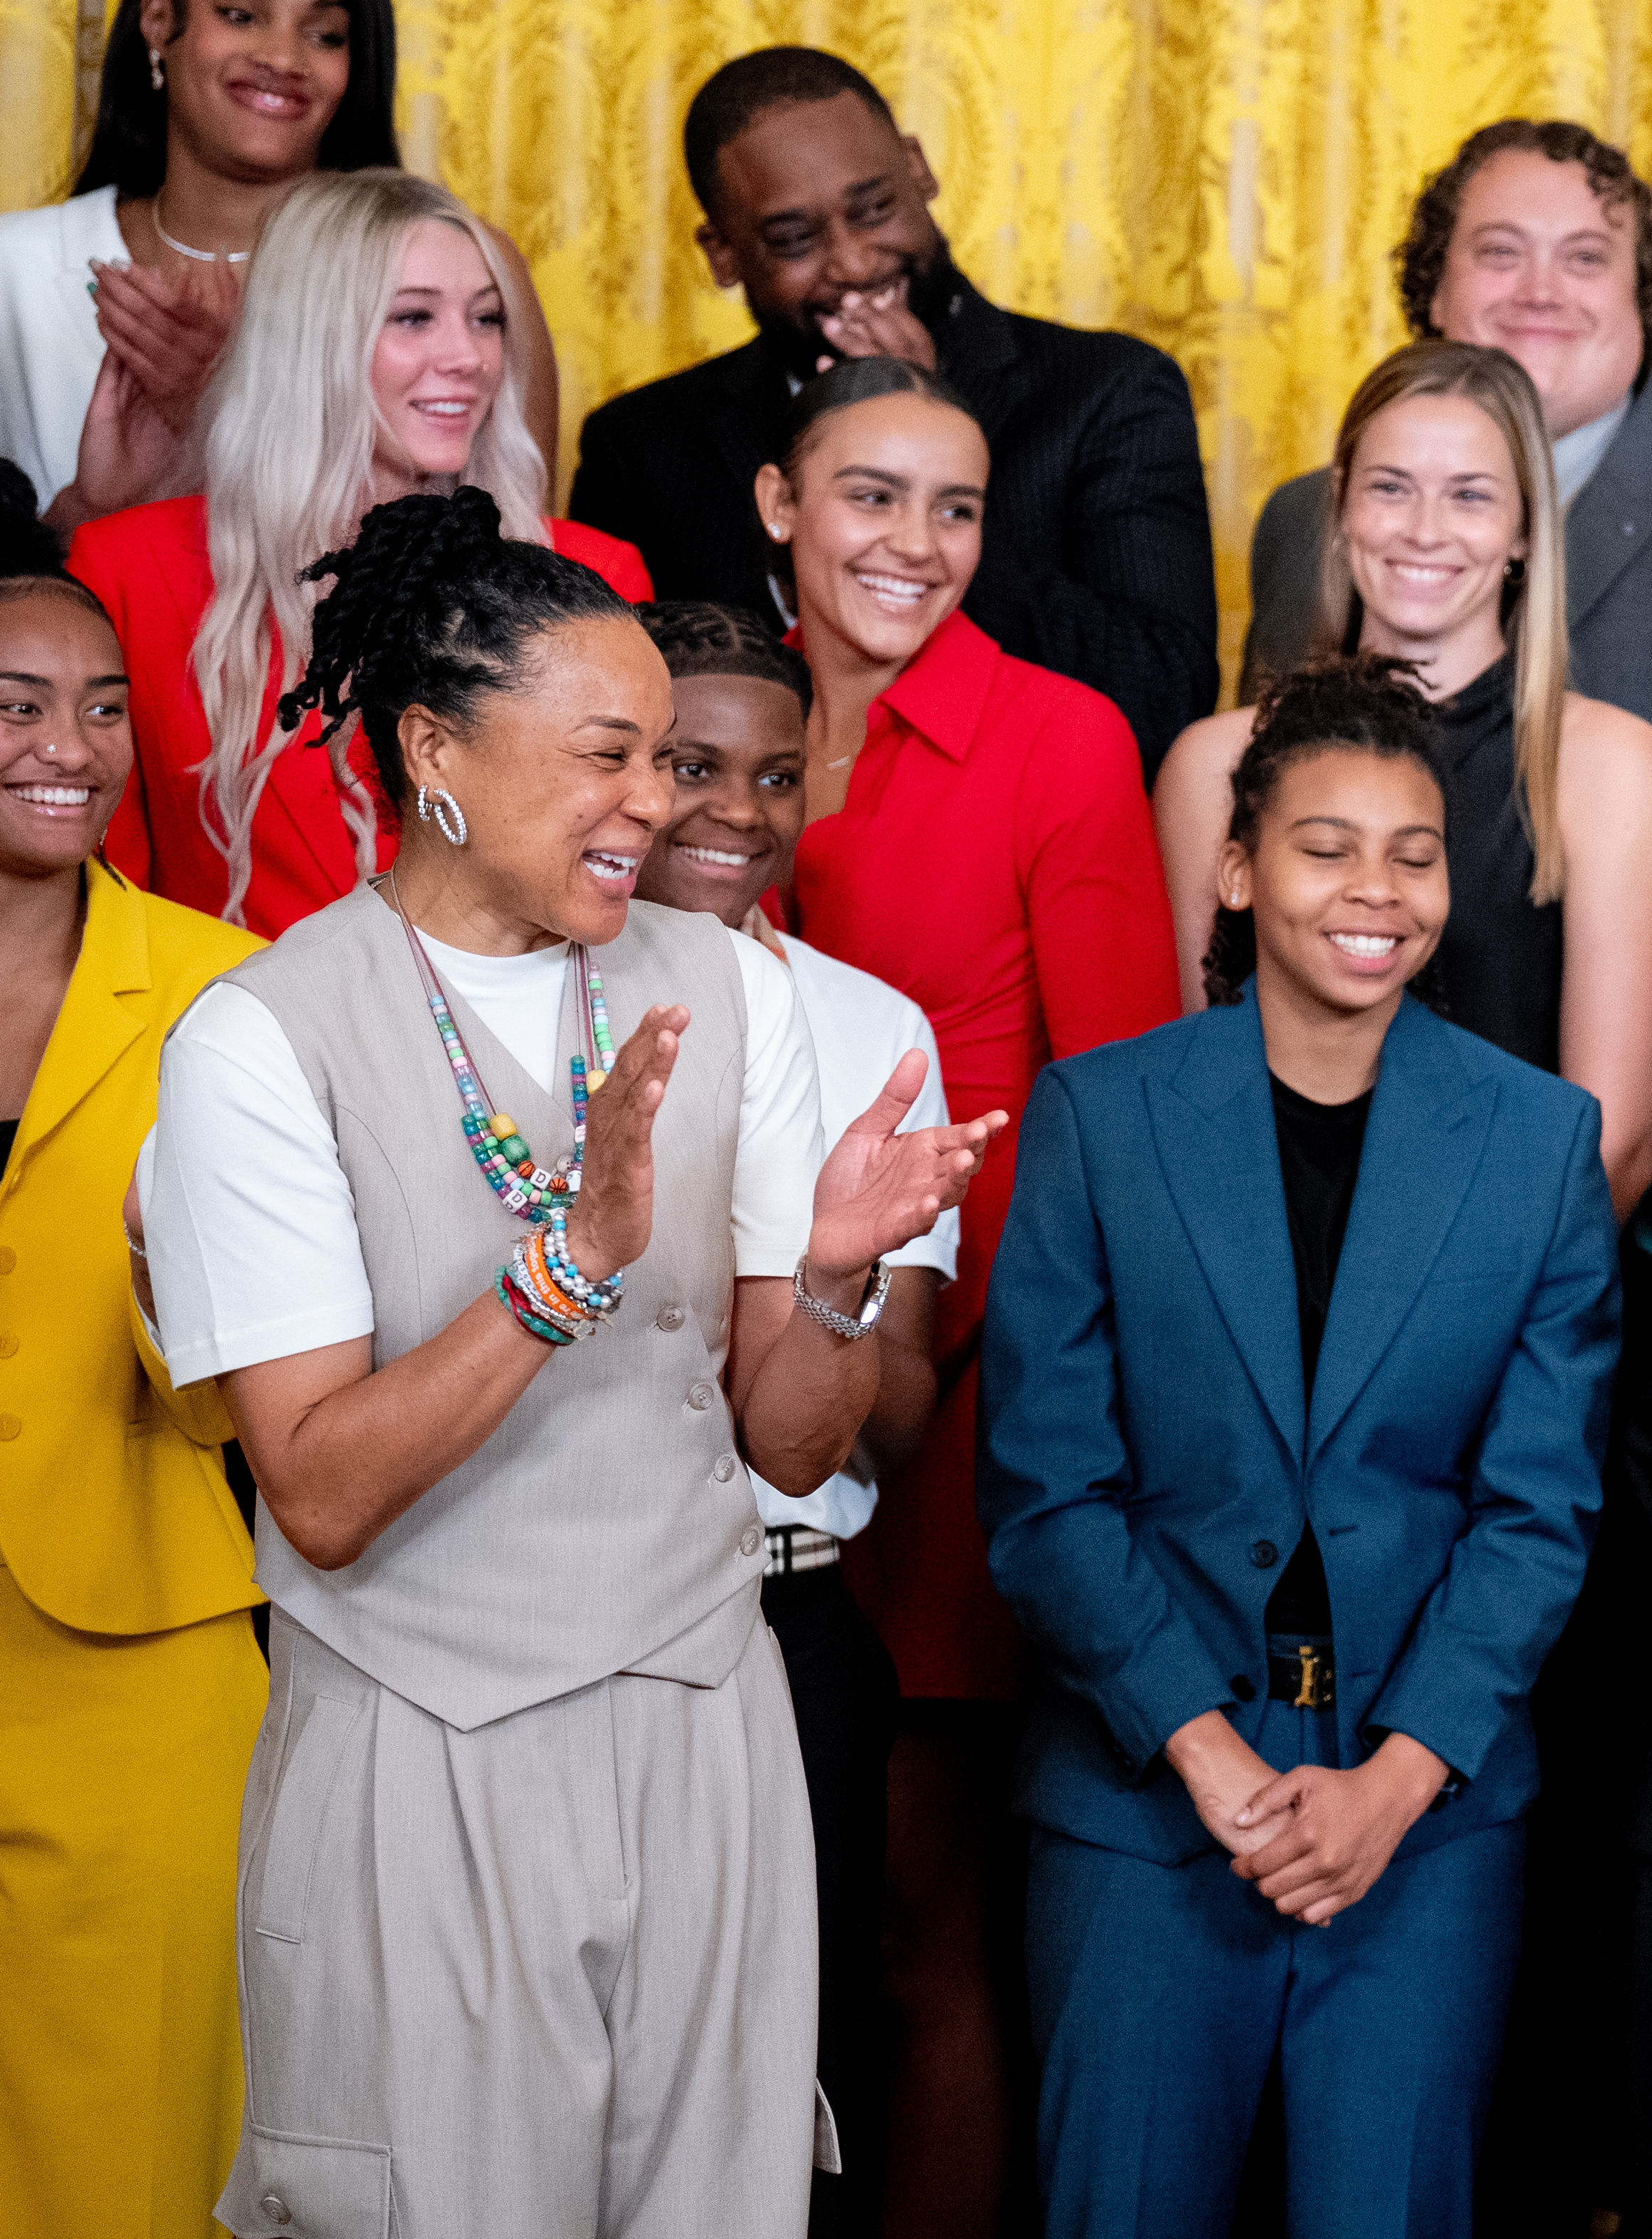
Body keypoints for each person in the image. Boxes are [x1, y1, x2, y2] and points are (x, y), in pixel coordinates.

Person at [137, 485, 995, 2231]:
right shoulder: (259, 1038)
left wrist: (832, 1280)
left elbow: (786, 1439)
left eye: (670, 757)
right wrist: (566, 1264)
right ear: (435, 746)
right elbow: (316, 1488)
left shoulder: (719, 987)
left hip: (702, 1724)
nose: (657, 803)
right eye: (610, 752)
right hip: (425, 1746)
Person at [982, 655, 1616, 2238]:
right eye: (1328, 845)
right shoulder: (1101, 1117)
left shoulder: (1539, 1145)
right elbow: (1050, 1490)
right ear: (1239, 865)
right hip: (1145, 1812)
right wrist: (1207, 1754)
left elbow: (1538, 1512)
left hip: (1425, 1824)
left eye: (1414, 853)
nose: (1377, 890)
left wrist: (1393, 1786)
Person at [765, 354, 1182, 2237]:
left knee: (921, 1901)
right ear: (782, 502)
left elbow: (1122, 1104)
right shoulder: (698, 715)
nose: (913, 546)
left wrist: (1035, 1386)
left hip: (964, 1380)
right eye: (870, 495)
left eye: (955, 509)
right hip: (709, 1359)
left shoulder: (1059, 736)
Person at [0, 458, 267, 2235]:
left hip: (142, 1640)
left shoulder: (227, 993)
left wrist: (178, 1282)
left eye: (102, 705)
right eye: (11, 702)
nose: (68, 741)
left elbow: (264, 1388)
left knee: (124, 2167)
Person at [632, 599, 959, 2239]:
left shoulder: (873, 1032)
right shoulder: (522, 999)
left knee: (794, 2081)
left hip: (787, 1609)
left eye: (774, 773)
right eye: (690, 762)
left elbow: (884, 1422)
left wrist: (823, 1269)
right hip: (579, 1610)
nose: (734, 813)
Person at [570, 46, 1219, 775]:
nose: (852, 262)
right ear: (723, 255)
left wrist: (930, 439)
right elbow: (604, 727)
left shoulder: (1110, 392)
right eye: (795, 240)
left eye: (874, 208)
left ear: (919, 169)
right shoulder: (642, 445)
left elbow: (1167, 696)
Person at [1160, 339, 1652, 1219]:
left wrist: (1417, 1313)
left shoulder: (1608, 766)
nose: (1425, 530)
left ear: (1525, 529)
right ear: (1340, 506)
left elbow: (1615, 1147)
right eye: (1391, 486)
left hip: (1514, 1298)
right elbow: (1203, 1088)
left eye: (1471, 496)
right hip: (1268, 1289)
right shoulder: (1214, 765)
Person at [71, 167, 649, 932]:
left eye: (486, 319)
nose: (469, 357)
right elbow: (103, 904)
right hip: (225, 1031)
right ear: (309, 339)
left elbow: (625, 878)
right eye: (413, 318)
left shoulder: (592, 575)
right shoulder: (131, 568)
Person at [1235, 118, 1652, 828]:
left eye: (1585, 258)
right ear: (1434, 287)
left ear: (1641, 302)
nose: (1540, 291)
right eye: (1500, 251)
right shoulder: (1305, 518)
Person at [0, 0, 564, 530]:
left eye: (326, 35)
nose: (282, 57)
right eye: (240, 15)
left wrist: (221, 407)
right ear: (158, 19)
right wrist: (90, 511)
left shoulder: (461, 272)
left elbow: (517, 572)